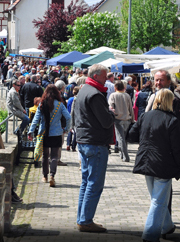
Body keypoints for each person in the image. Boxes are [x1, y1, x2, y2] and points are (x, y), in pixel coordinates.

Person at [128, 89, 180, 242]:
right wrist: (179, 167)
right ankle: (150, 235)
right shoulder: (171, 120)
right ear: (169, 101)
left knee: (156, 198)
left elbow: (132, 135)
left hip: (146, 161)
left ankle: (166, 226)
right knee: (158, 200)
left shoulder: (145, 116)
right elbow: (177, 147)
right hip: (163, 164)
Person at [74, 64, 115, 233]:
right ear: (96, 76)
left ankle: (82, 218)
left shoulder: (84, 90)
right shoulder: (94, 94)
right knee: (94, 183)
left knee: (86, 182)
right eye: (105, 76)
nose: (107, 78)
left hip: (85, 141)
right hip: (94, 142)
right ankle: (85, 220)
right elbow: (106, 121)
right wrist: (111, 113)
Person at [28, 85, 71, 187]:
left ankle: (45, 176)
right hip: (56, 133)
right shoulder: (60, 105)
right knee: (54, 156)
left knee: (45, 156)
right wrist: (66, 129)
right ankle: (52, 175)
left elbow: (35, 119)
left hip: (44, 133)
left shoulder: (42, 104)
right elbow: (68, 117)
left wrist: (31, 131)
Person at [108, 80, 135, 162]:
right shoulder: (127, 95)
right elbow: (131, 108)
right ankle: (122, 154)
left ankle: (126, 156)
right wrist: (132, 119)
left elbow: (111, 107)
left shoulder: (113, 95)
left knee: (120, 138)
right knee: (124, 138)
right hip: (127, 118)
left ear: (115, 87)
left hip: (118, 119)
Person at [66, 86, 80, 151]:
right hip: (75, 116)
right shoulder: (77, 99)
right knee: (75, 132)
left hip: (69, 115)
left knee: (70, 131)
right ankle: (73, 147)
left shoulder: (70, 99)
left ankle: (68, 144)